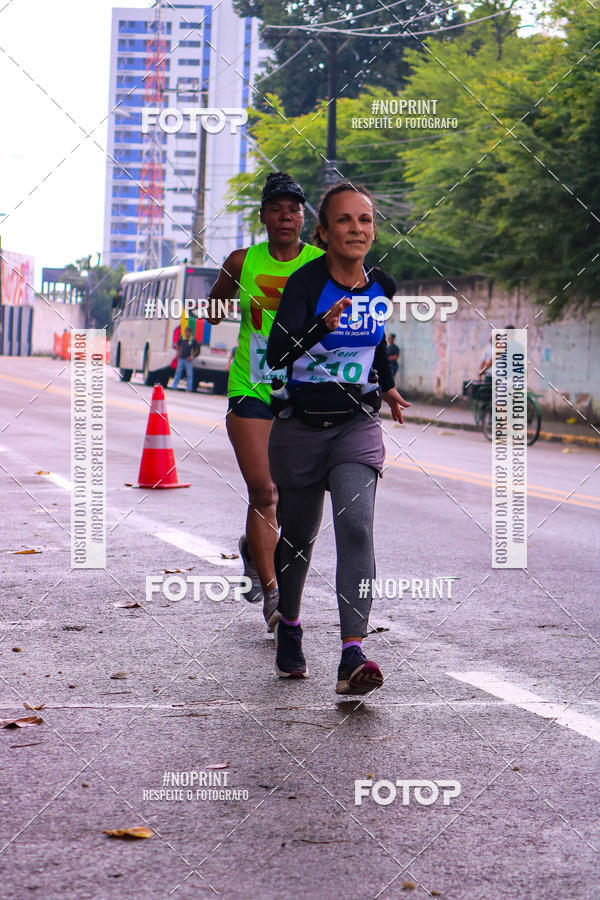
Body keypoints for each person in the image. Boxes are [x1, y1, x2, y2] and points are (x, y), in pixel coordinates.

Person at [266, 181, 410, 694]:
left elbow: (378, 344)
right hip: (301, 428)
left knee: (357, 529)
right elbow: (277, 355)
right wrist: (320, 327)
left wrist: (389, 389)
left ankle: (353, 655)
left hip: (356, 424)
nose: (357, 229)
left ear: (374, 230)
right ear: (324, 232)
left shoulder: (382, 285)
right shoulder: (305, 284)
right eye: (345, 221)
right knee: (299, 539)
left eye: (365, 220)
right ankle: (289, 624)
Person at [205, 172, 323, 629]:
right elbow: (214, 312)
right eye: (276, 208)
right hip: (251, 387)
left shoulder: (322, 262)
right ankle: (275, 597)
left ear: (303, 217)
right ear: (264, 216)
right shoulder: (241, 261)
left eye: (293, 208)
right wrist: (218, 302)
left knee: (292, 498)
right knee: (264, 491)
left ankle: (254, 550)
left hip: (305, 390)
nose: (285, 215)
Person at [171, 325, 198, 391]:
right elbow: (177, 345)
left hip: (188, 359)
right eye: (187, 332)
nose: (188, 333)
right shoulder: (182, 338)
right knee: (178, 373)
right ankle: (174, 386)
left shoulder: (193, 340)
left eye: (189, 332)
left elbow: (196, 349)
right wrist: (178, 352)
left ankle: (189, 388)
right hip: (181, 358)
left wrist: (191, 357)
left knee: (189, 374)